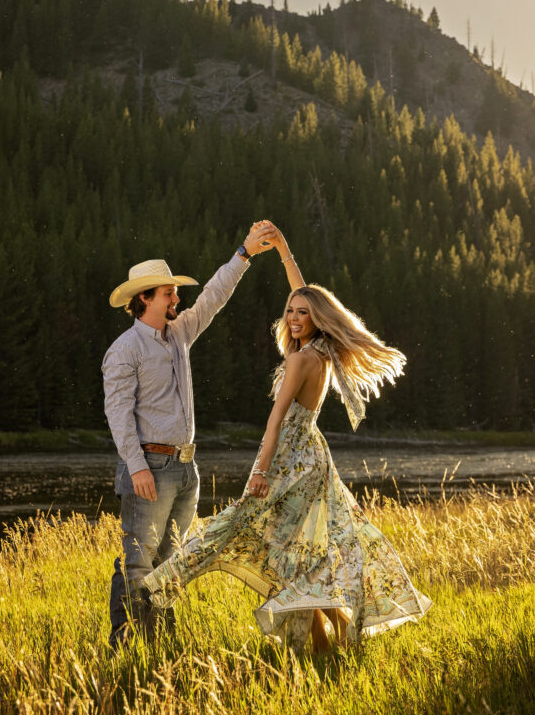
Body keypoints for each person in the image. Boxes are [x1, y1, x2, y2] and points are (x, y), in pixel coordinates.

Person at [142, 229, 431, 652]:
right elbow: (303, 292)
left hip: (291, 464)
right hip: (313, 459)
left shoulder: (301, 359)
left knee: (240, 531)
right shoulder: (325, 350)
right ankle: (330, 645)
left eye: (302, 314)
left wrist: (259, 472)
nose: (294, 318)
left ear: (316, 319)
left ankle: (160, 584)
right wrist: (282, 250)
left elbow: (275, 420)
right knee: (301, 556)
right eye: (290, 311)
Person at [102, 221, 276, 648]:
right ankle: (126, 645)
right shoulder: (125, 349)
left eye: (175, 292)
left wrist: (244, 254)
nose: (177, 298)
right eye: (168, 292)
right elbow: (118, 415)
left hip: (185, 469)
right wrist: (137, 466)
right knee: (139, 564)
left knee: (173, 562)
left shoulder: (179, 334)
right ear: (145, 299)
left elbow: (213, 297)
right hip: (151, 467)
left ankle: (161, 645)